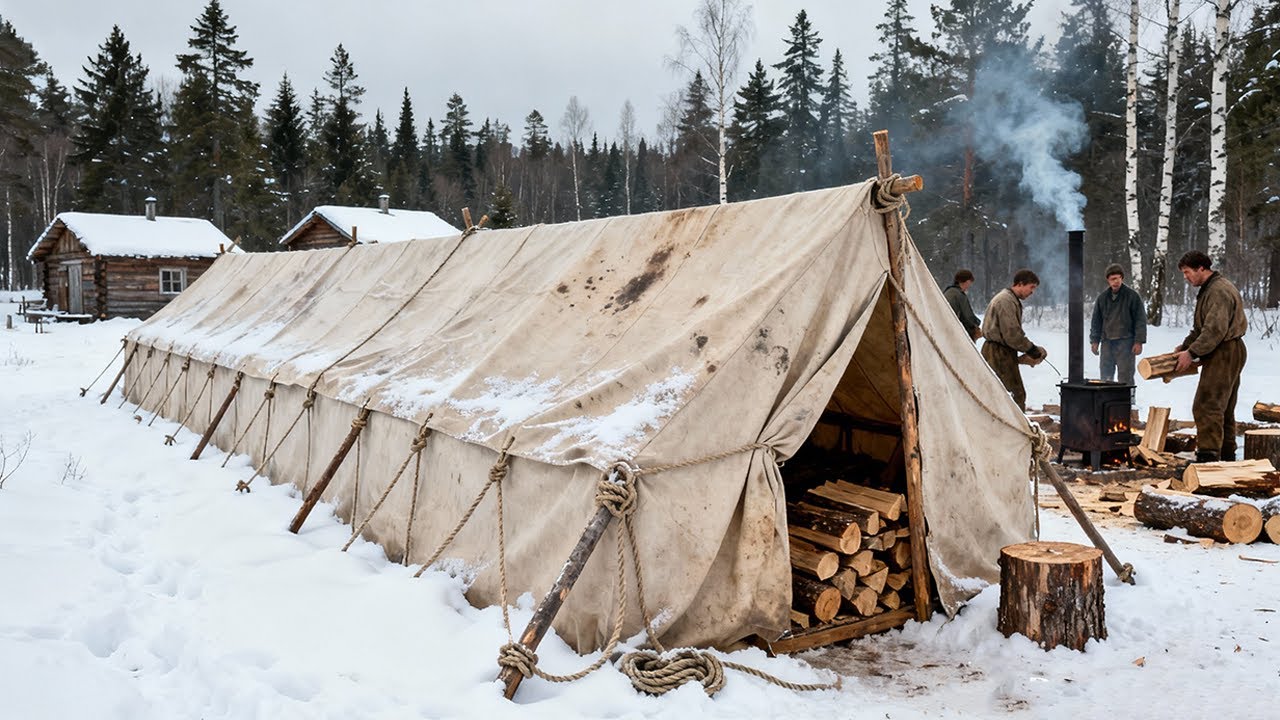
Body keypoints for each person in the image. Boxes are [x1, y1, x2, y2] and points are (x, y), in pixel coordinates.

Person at [1173, 250, 1248, 463]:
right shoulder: (1209, 289)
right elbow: (1202, 328)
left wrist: (1192, 353)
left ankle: (1208, 458)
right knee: (1222, 407)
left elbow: (1215, 330)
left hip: (1225, 351)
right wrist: (1186, 346)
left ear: (1201, 269)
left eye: (1187, 272)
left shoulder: (1218, 291)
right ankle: (1226, 456)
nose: (1186, 277)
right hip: (1223, 349)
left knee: (1207, 404)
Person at [981, 269, 1047, 411]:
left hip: (1001, 351)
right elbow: (1012, 335)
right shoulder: (1006, 300)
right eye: (1031, 287)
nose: (1032, 292)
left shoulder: (1010, 299)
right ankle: (1011, 431)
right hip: (997, 352)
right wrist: (1032, 350)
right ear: (1020, 284)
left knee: (1004, 393)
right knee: (1012, 395)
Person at [1089, 263, 1146, 385]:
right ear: (1108, 281)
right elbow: (1096, 321)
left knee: (1126, 378)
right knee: (1105, 377)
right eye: (1112, 279)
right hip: (1107, 343)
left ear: (1122, 278)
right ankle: (1106, 402)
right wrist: (1094, 341)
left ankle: (1128, 403)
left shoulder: (1132, 296)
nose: (1116, 281)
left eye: (1118, 278)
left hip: (1126, 343)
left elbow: (1140, 320)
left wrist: (1138, 341)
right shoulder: (1102, 298)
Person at [943, 269, 982, 341]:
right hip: (956, 334)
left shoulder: (948, 292)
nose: (969, 285)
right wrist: (976, 325)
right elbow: (968, 316)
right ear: (967, 282)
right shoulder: (959, 295)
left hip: (945, 330)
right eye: (970, 282)